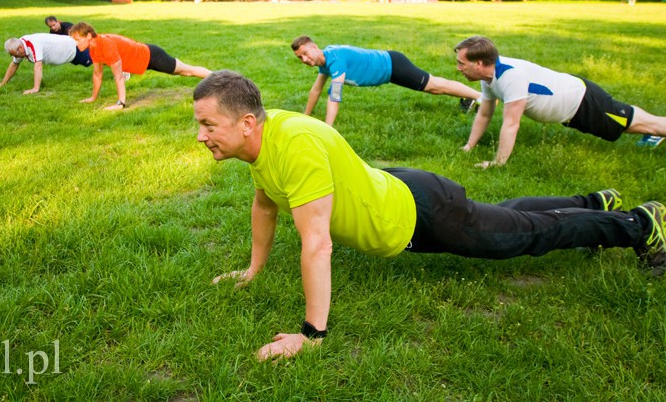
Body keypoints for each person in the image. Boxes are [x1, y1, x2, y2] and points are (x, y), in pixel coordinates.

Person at [192, 70, 665, 361]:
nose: (201, 136)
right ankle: (594, 203)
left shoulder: (293, 144)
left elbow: (317, 243)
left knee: (521, 235)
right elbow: (265, 204)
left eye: (208, 125)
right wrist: (253, 270)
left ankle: (641, 224)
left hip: (421, 213)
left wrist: (311, 335)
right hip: (406, 192)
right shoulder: (265, 142)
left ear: (247, 122)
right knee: (501, 216)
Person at [455, 36, 666, 168]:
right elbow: (485, 113)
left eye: (461, 63)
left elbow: (511, 124)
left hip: (582, 101)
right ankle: (653, 132)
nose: (459, 68)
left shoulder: (510, 76)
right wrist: (469, 146)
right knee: (627, 123)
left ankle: (656, 130)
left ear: (480, 63)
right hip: (572, 107)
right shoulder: (489, 77)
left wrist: (497, 163)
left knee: (632, 122)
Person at [291, 35, 480, 127]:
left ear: (315, 47)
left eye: (306, 54)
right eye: (300, 58)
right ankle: (475, 98)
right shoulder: (325, 60)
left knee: (435, 86)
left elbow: (335, 95)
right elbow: (316, 90)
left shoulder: (335, 59)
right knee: (435, 87)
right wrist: (305, 117)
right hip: (388, 70)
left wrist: (328, 129)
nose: (305, 60)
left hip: (392, 65)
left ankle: (480, 96)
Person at [70, 21, 212, 111]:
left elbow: (119, 76)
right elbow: (97, 74)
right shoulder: (94, 48)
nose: (76, 43)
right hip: (144, 59)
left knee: (187, 71)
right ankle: (220, 77)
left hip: (152, 56)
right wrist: (93, 98)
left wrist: (120, 103)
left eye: (77, 39)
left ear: (89, 36)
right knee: (185, 71)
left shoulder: (106, 45)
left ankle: (220, 77)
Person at [0, 34, 93, 94]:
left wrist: (35, 88)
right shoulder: (19, 47)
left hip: (73, 48)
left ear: (20, 48)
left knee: (97, 58)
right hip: (67, 53)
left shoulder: (33, 44)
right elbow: (14, 64)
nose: (15, 57)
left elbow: (38, 67)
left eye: (15, 54)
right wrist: (3, 83)